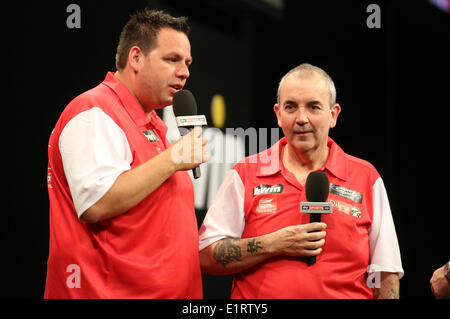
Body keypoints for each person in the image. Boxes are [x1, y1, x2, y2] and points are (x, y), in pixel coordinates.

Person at [198, 63, 403, 299]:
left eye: (314, 107)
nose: (301, 118)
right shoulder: (245, 173)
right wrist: (273, 243)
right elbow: (206, 255)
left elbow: (386, 274)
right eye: (291, 107)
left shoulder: (366, 177)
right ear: (278, 114)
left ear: (333, 115)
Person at [44, 9, 209, 298]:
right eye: (172, 59)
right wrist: (172, 160)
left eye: (187, 62)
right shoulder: (94, 111)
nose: (185, 71)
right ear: (136, 58)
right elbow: (97, 202)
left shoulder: (155, 125)